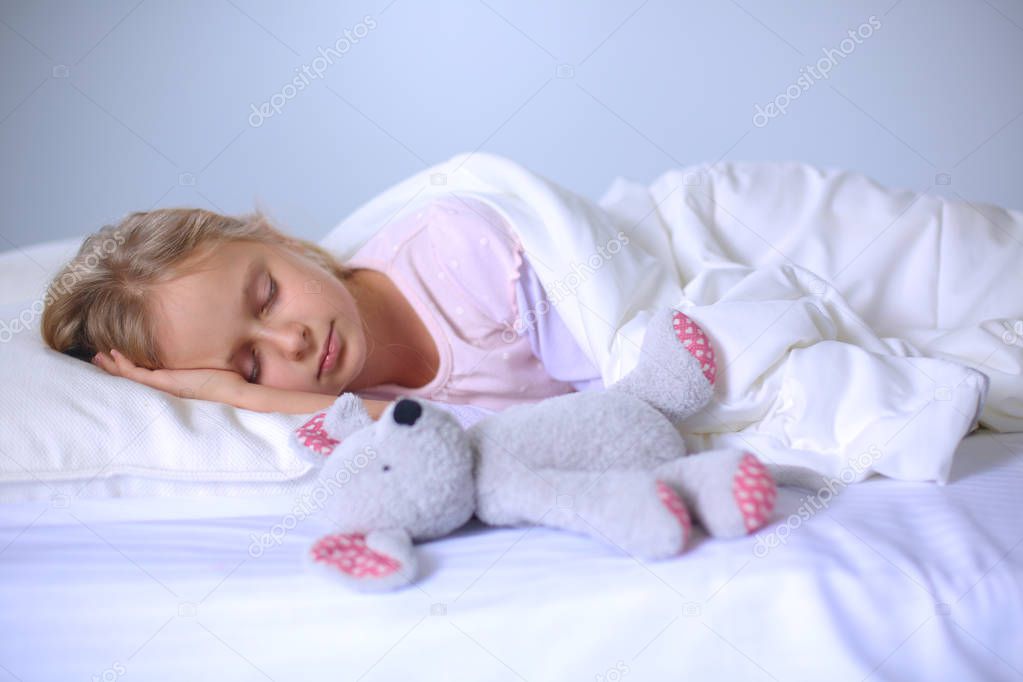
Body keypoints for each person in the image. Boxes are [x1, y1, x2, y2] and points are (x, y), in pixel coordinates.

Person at [40, 195, 603, 428]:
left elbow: (622, 397)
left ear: (275, 238)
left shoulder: (459, 253)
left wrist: (247, 384)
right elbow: (474, 438)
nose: (291, 341)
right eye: (250, 367)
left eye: (268, 296)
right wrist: (237, 398)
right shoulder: (335, 416)